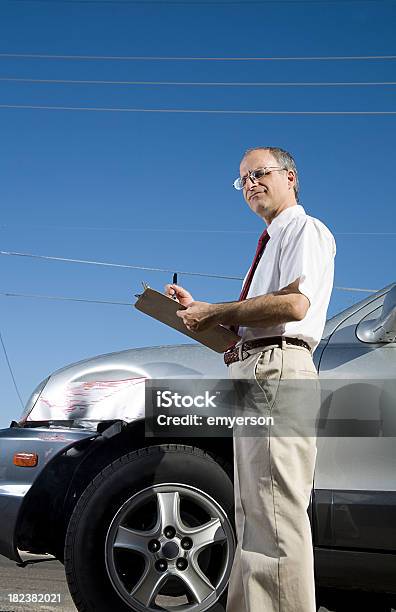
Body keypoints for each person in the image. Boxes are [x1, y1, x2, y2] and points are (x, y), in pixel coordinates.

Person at [165, 146, 336, 612]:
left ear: (291, 177)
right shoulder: (266, 246)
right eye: (242, 179)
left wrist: (217, 310)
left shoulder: (303, 229)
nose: (250, 184)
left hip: (278, 370)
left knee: (275, 515)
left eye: (259, 173)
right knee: (256, 515)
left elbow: (294, 305)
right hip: (256, 370)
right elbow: (253, 319)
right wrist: (197, 313)